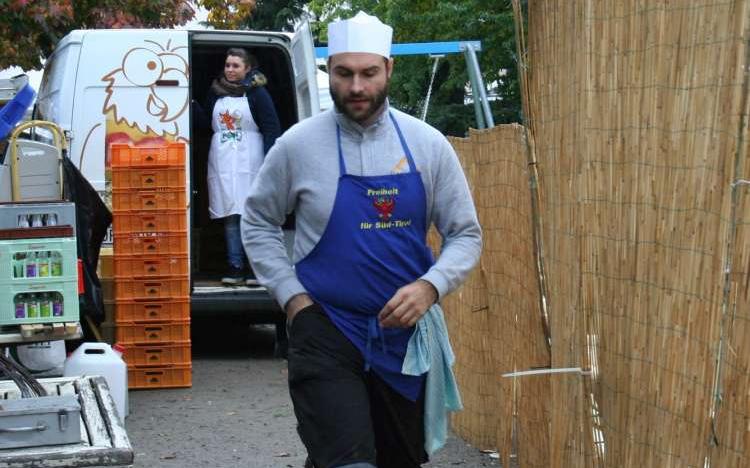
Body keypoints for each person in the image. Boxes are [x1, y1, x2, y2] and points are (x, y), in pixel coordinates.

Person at [242, 11, 482, 468]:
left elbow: (465, 234)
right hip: (325, 330)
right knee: (347, 459)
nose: (356, 87)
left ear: (388, 69)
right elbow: (257, 221)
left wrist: (431, 287)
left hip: (404, 341)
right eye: (344, 73)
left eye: (368, 73)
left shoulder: (428, 145)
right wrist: (293, 300)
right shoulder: (297, 146)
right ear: (329, 69)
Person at [204, 48, 281, 285]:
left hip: (252, 160)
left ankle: (254, 269)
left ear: (248, 68)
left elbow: (271, 128)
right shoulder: (215, 93)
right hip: (223, 161)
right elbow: (203, 121)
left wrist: (270, 161)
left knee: (252, 215)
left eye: (236, 66)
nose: (230, 70)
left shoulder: (258, 94)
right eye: (228, 65)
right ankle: (235, 267)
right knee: (230, 215)